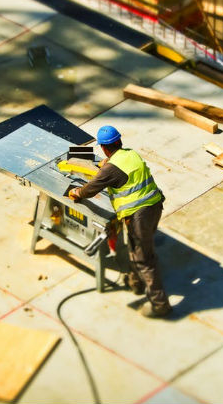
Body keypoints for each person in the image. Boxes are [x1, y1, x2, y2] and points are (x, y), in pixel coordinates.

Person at [68, 125, 172, 318]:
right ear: (119, 141)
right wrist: (108, 163)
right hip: (155, 205)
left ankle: (160, 304)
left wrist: (76, 192)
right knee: (137, 247)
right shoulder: (130, 154)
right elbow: (120, 168)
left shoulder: (110, 169)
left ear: (104, 148)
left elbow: (91, 189)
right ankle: (136, 283)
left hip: (138, 215)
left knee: (143, 258)